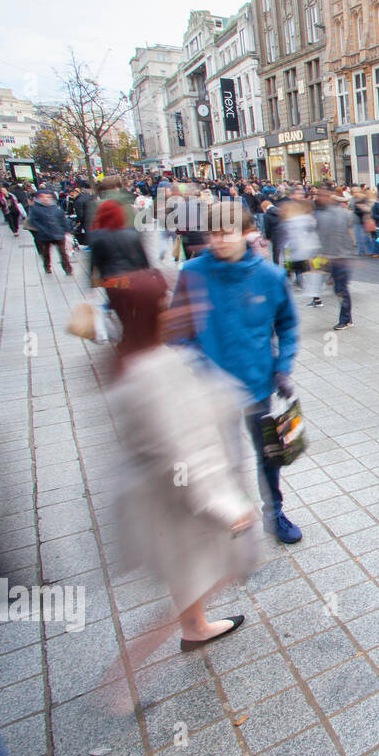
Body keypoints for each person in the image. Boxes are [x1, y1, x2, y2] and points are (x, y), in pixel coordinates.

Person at [110, 268, 258, 651]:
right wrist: (225, 506)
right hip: (181, 494)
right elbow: (181, 451)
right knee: (215, 561)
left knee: (187, 565)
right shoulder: (155, 371)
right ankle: (132, 667)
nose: (175, 309)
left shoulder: (132, 358)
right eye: (164, 305)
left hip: (160, 496)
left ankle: (193, 626)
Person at [171, 202, 302, 545]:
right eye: (212, 233)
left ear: (246, 233)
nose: (218, 241)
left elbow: (287, 325)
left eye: (226, 233)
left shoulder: (270, 276)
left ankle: (275, 513)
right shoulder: (192, 273)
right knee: (228, 460)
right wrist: (195, 366)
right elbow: (178, 329)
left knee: (269, 456)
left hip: (258, 385)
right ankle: (237, 516)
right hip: (212, 391)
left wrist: (283, 368)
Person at [312, 184, 355, 330]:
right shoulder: (321, 214)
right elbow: (320, 237)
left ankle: (346, 319)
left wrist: (344, 255)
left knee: (341, 289)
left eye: (322, 195)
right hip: (331, 257)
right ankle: (346, 318)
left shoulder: (340, 213)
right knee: (338, 289)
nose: (319, 198)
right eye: (318, 195)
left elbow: (345, 235)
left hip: (340, 258)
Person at [27, 189, 73, 275]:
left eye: (48, 197)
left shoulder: (56, 207)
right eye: (43, 197)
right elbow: (34, 221)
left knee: (63, 252)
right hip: (45, 235)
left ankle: (67, 268)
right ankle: (47, 266)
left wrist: (67, 230)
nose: (46, 199)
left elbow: (63, 219)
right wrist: (42, 229)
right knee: (46, 252)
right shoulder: (35, 209)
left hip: (58, 233)